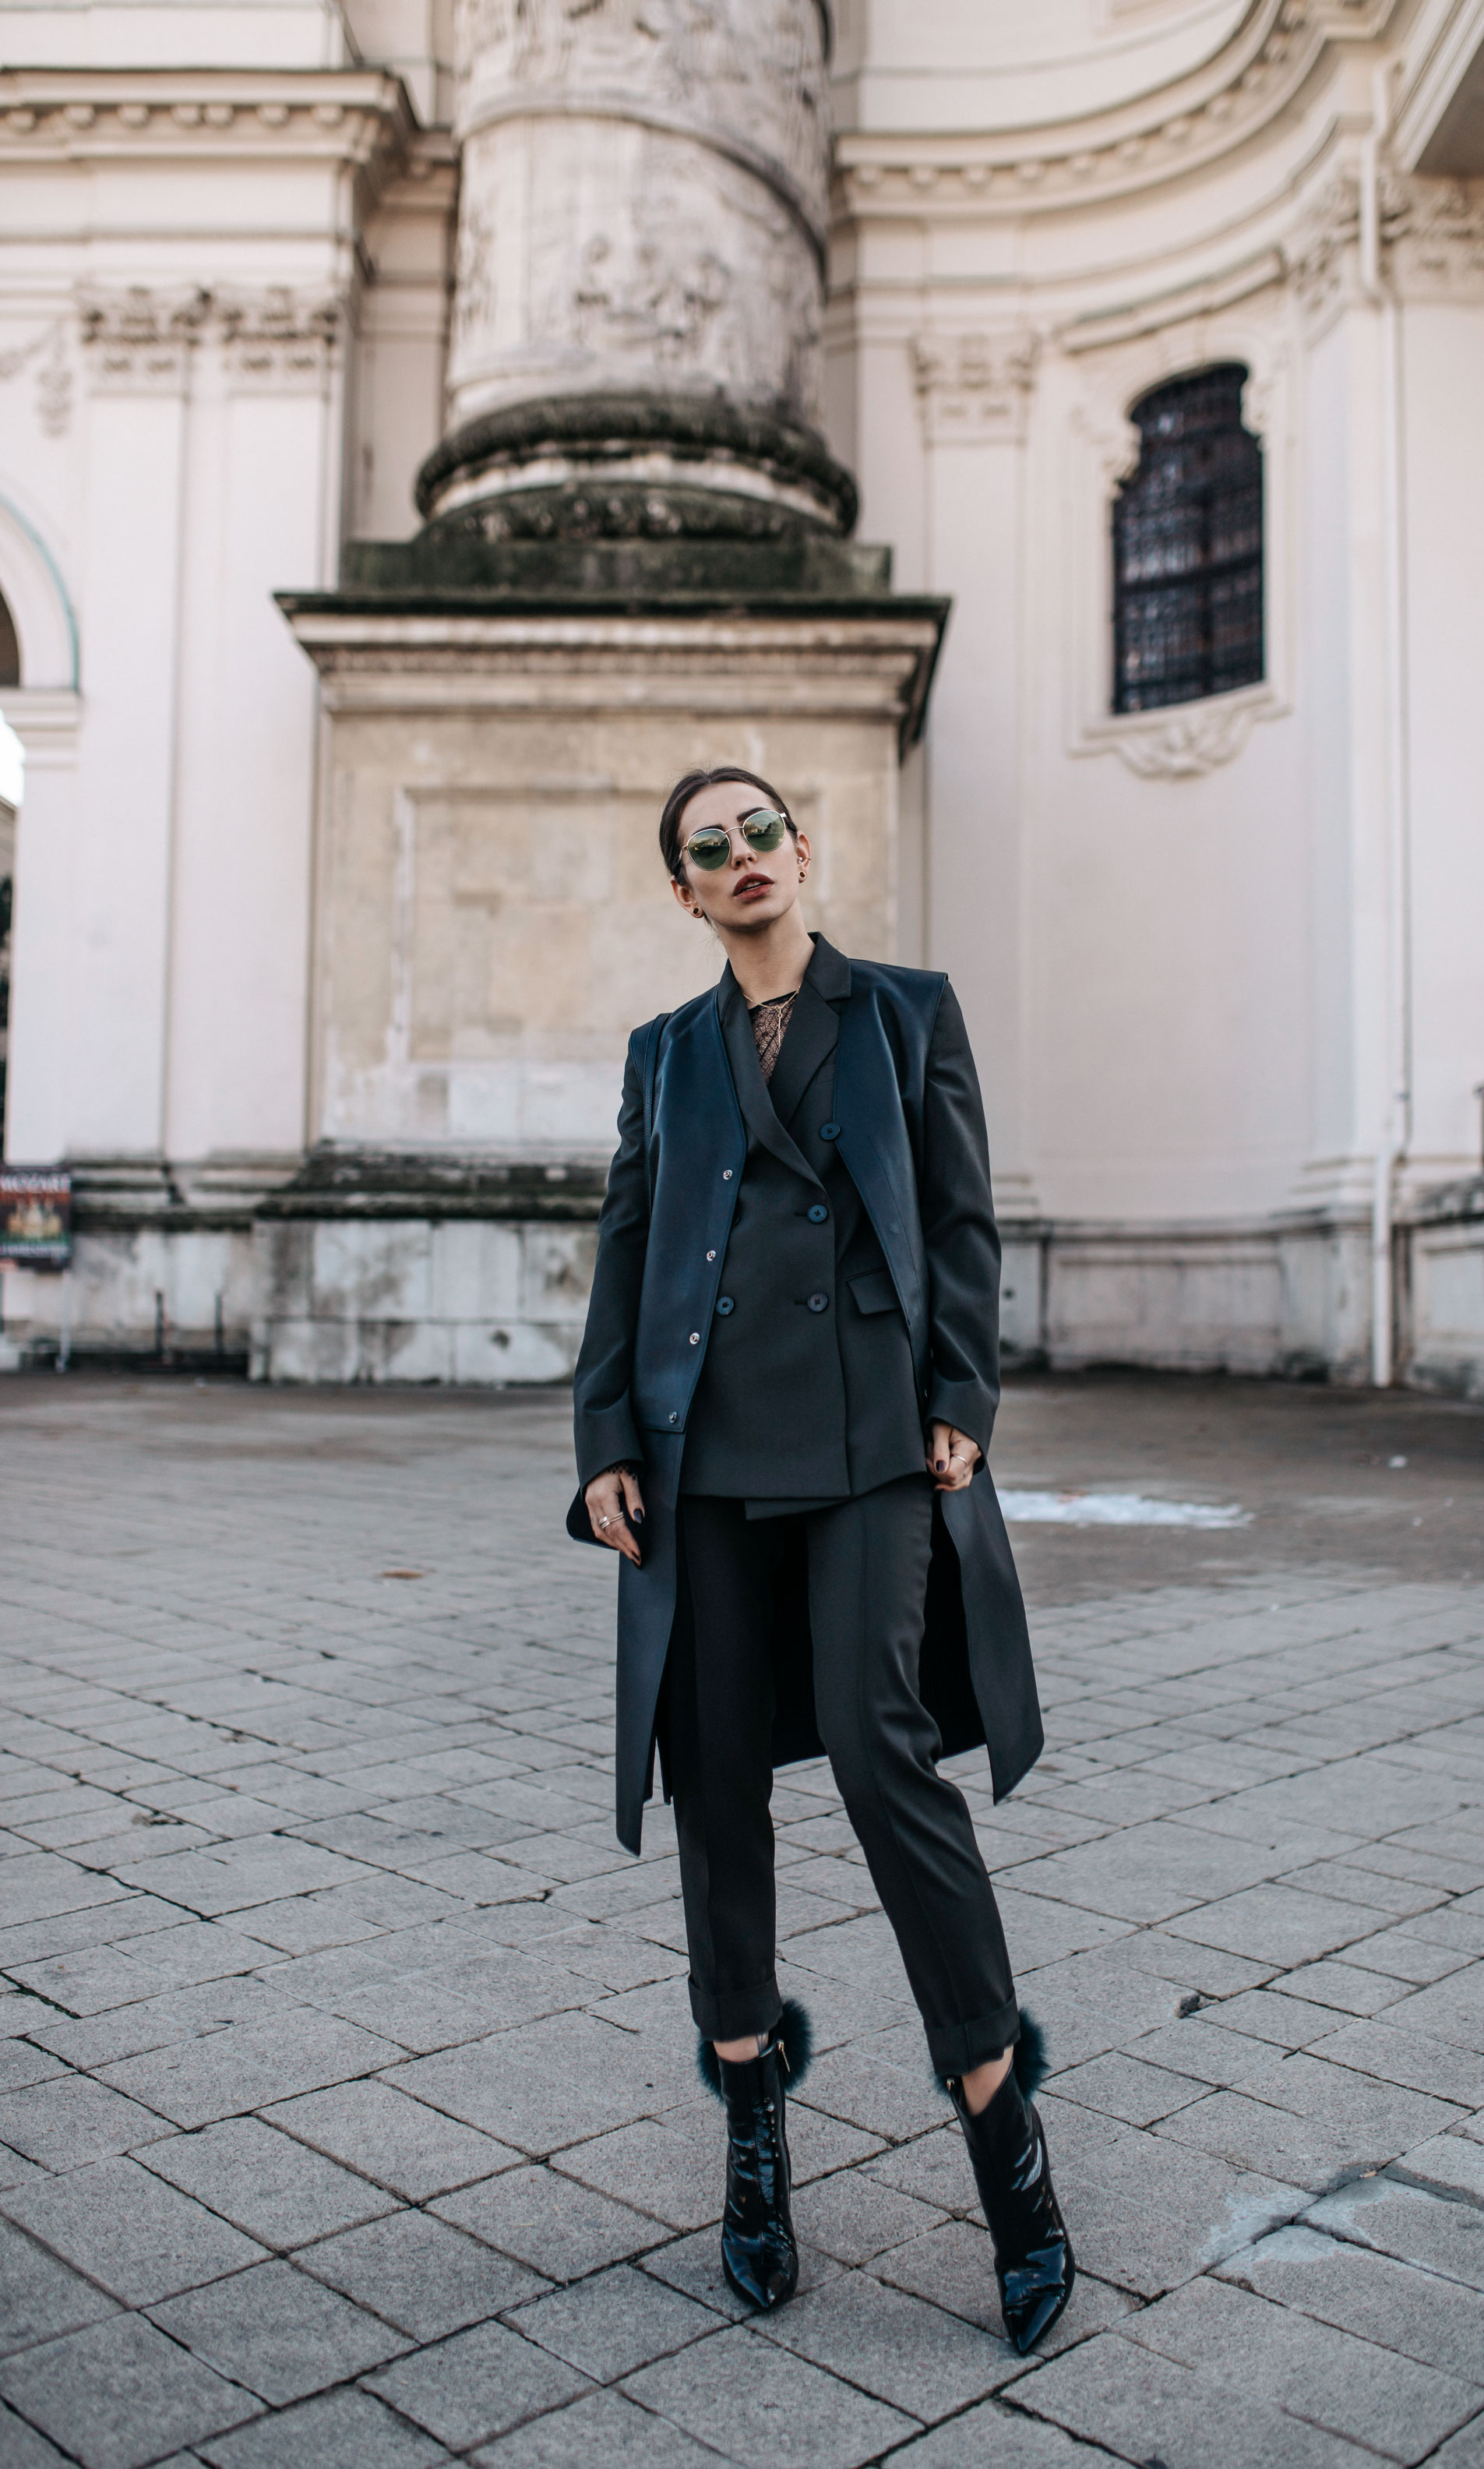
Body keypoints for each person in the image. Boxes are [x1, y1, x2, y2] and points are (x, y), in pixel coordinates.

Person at [566, 765, 1073, 2352]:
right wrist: (602, 1441)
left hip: (869, 1444)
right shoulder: (666, 1054)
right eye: (704, 849)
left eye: (757, 831)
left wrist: (961, 1404)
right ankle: (751, 2133)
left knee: (878, 1755)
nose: (739, 859)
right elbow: (629, 1250)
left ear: (805, 846)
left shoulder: (906, 1011)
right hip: (704, 1450)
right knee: (715, 1781)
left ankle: (1006, 2139)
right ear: (685, 890)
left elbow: (963, 1225)